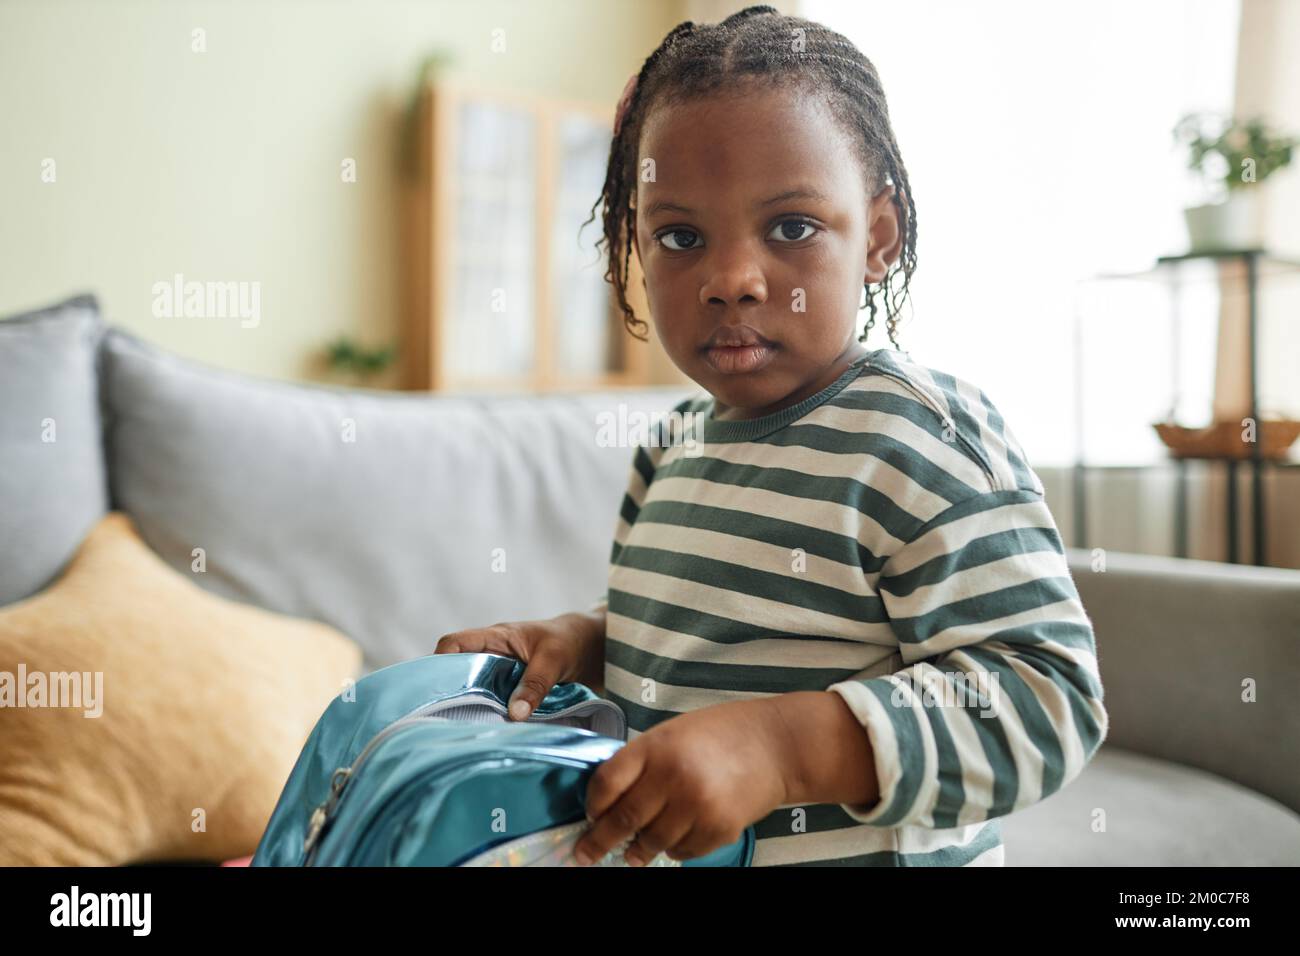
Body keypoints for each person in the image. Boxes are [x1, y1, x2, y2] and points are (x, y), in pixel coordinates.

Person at [436, 4, 1108, 867]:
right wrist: (584, 644)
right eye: (679, 236)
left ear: (879, 237)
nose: (731, 279)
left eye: (791, 227)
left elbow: (1046, 699)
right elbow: (694, 640)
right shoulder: (673, 447)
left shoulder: (922, 438)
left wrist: (783, 751)